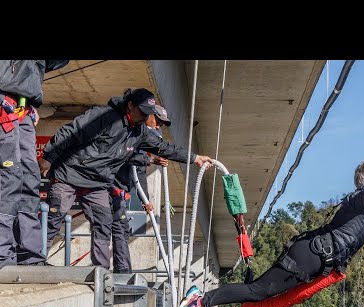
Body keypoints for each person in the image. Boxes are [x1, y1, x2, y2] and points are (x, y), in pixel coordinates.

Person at [177, 143, 364, 307]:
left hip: (313, 260)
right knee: (257, 291)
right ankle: (199, 301)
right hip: (309, 257)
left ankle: (200, 300)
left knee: (261, 293)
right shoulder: (358, 201)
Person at [40, 88, 214, 269]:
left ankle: (100, 270)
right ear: (130, 105)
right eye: (143, 112)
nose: (146, 117)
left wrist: (195, 158)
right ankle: (35, 260)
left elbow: (165, 148)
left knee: (103, 222)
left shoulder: (140, 133)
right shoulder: (104, 116)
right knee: (54, 216)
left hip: (97, 182)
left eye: (149, 114)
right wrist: (48, 157)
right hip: (70, 173)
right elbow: (70, 131)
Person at [0, 60, 69, 268]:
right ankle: (3, 254)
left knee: (30, 179)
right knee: (9, 177)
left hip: (24, 108)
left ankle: (29, 255)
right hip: (4, 103)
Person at [110, 104, 171, 274]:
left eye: (162, 124)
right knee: (117, 226)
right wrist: (151, 160)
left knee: (120, 227)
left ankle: (122, 270)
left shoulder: (144, 143)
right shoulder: (133, 134)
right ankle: (120, 272)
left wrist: (145, 199)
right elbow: (127, 157)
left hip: (120, 189)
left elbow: (139, 172)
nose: (159, 126)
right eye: (157, 121)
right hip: (109, 185)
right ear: (148, 116)